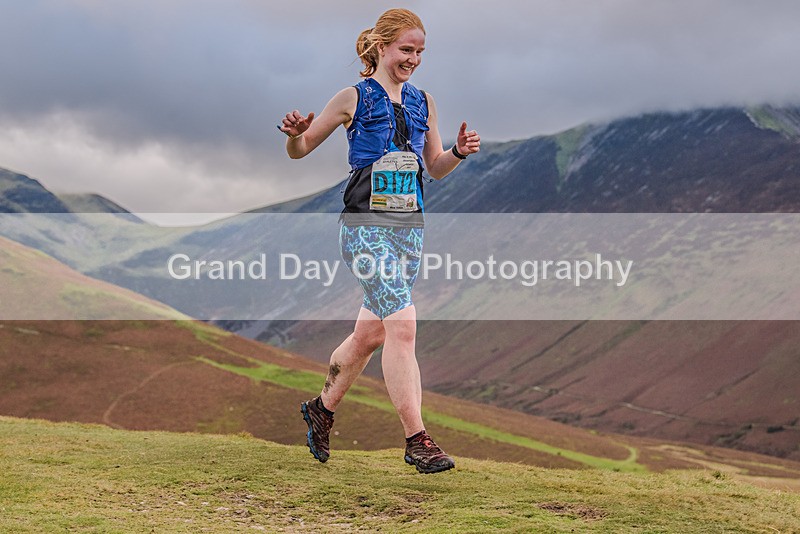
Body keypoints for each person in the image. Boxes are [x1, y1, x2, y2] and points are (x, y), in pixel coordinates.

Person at [279, 8, 480, 474]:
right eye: (406, 50)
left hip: (408, 229)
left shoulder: (424, 101)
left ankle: (322, 408)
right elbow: (302, 148)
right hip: (364, 228)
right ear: (381, 47)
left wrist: (458, 153)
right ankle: (417, 440)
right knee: (404, 326)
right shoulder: (353, 97)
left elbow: (434, 165)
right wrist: (292, 136)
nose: (414, 59)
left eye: (420, 52)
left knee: (371, 334)